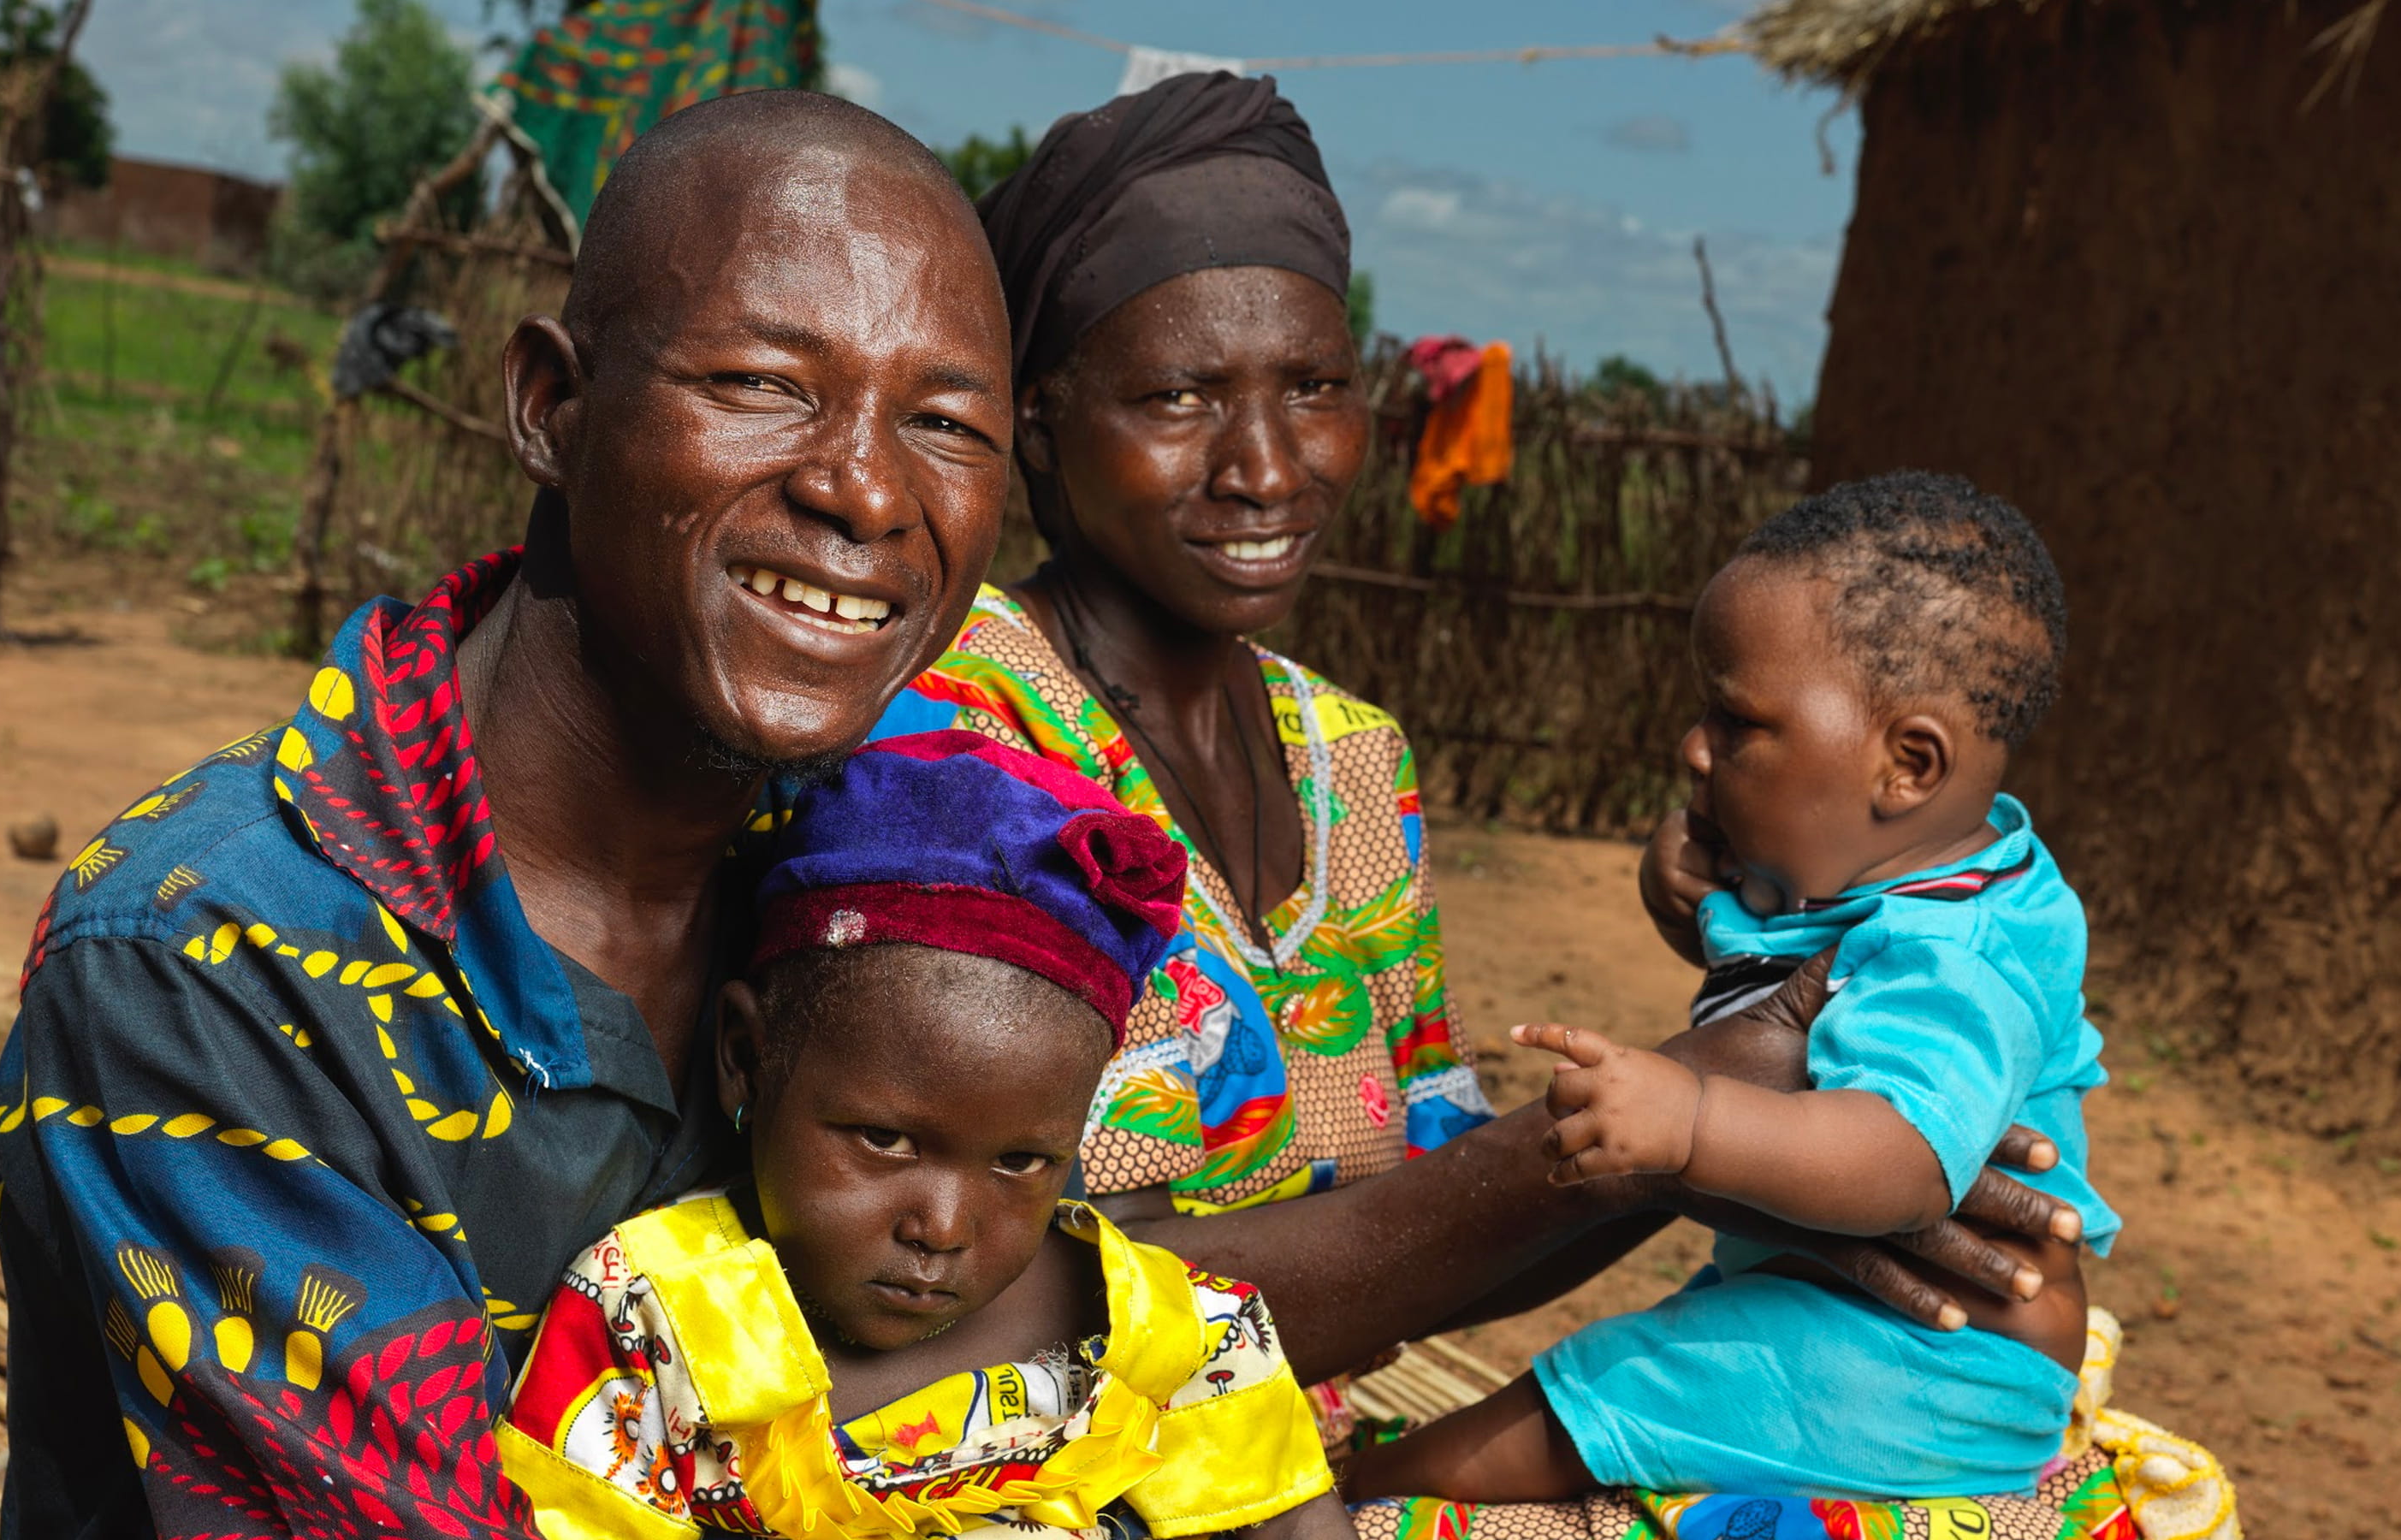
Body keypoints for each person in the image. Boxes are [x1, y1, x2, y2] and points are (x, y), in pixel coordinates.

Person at [875, 68, 2090, 1430]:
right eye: (1178, 398)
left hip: (1312, 1450)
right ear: (1039, 421)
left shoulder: (1352, 760)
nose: (1269, 466)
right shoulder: (953, 731)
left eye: (1318, 387)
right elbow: (1052, 1303)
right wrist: (1728, 1115)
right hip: (1051, 1464)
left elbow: (1442, 1218)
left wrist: (1801, 1147)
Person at [0, 92, 1016, 1537]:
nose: (865, 487)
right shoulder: (210, 958)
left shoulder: (880, 890)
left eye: (949, 423)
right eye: (765, 384)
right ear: (551, 406)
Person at [1349, 474, 2116, 1502]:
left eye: (1736, 721)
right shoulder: (1883, 865)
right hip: (1852, 1330)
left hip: (1915, 1359)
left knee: (1584, 1403)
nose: (1692, 747)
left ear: (1907, 765)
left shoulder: (1964, 953)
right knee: (1609, 1385)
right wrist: (1674, 870)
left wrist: (1693, 1123)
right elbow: (1760, 969)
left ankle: (1352, 1498)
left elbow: (1903, 1162)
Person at [502, 732, 1348, 1540]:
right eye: (883, 1140)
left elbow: (1292, 1519)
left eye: (1020, 1160)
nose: (940, 1228)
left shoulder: (1173, 1335)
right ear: (745, 1058)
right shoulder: (653, 1323)